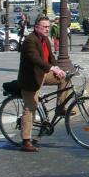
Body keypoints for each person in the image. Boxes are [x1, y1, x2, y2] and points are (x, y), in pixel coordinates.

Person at [17, 16, 69, 153]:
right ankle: (26, 141)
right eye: (44, 27)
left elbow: (51, 58)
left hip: (43, 74)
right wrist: (52, 68)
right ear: (36, 27)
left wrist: (59, 69)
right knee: (30, 108)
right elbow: (36, 60)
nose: (47, 29)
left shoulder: (45, 39)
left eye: (48, 27)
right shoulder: (30, 41)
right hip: (31, 78)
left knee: (65, 79)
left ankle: (61, 107)